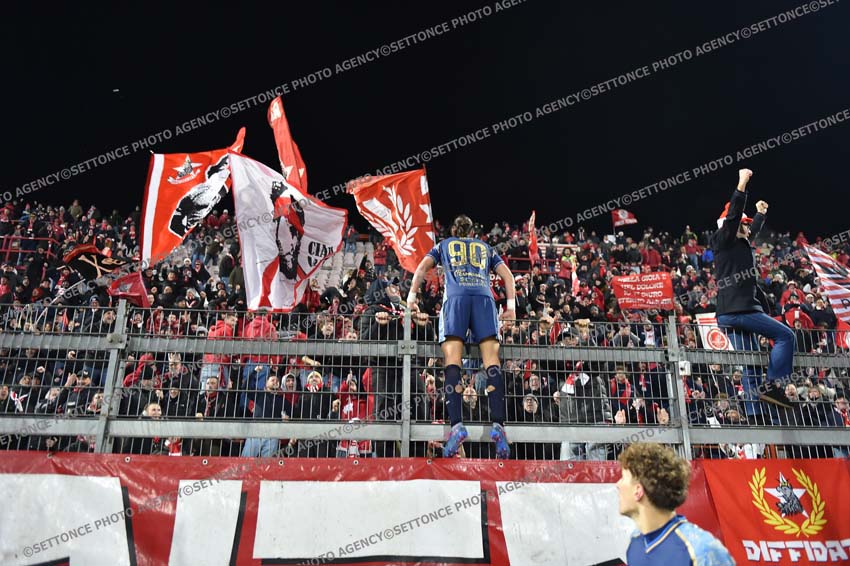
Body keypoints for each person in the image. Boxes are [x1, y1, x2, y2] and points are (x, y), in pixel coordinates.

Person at [408, 214, 516, 458]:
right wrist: (511, 308)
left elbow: (421, 269)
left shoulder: (444, 245)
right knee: (492, 362)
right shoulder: (485, 247)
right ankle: (498, 426)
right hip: (484, 299)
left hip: (456, 299)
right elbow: (508, 276)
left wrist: (411, 299)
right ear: (472, 233)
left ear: (454, 232)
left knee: (452, 363)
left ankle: (457, 426)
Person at [711, 169, 795, 420]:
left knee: (751, 362)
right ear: (731, 225)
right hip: (740, 311)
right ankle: (773, 385)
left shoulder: (738, 243)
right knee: (786, 336)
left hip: (730, 314)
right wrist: (742, 183)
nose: (747, 227)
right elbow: (734, 215)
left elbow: (750, 230)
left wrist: (760, 214)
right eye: (744, 223)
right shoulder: (723, 238)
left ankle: (754, 413)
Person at [617, 443, 734, 565]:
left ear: (638, 491)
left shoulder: (701, 550)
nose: (618, 485)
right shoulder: (635, 544)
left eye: (623, 478)